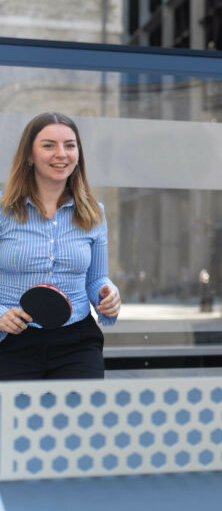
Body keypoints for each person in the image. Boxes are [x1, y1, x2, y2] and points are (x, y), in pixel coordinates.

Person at [0, 112, 121, 380]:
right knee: (13, 422)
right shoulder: (2, 211)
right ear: (29, 156)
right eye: (48, 145)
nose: (61, 154)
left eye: (69, 145)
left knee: (81, 421)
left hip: (77, 343)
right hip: (11, 341)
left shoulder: (94, 213)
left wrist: (108, 295)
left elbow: (97, 279)